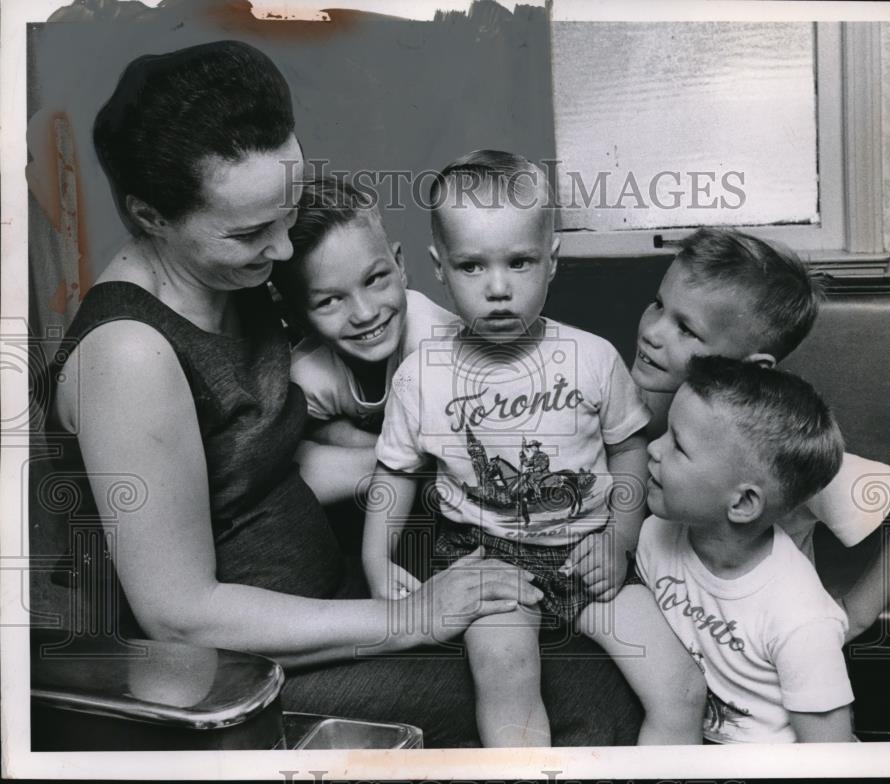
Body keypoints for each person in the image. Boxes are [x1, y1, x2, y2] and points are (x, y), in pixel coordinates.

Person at [39, 42, 642, 748]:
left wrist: (451, 462)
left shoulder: (236, 276)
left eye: (287, 212)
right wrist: (419, 617)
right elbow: (181, 616)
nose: (286, 252)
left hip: (334, 600)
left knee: (597, 640)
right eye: (251, 232)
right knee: (581, 689)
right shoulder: (129, 357)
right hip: (238, 674)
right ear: (150, 216)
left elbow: (258, 471)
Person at [363, 150, 650, 746]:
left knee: (676, 680)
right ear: (439, 269)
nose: (498, 289)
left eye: (519, 262)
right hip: (485, 558)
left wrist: (619, 540)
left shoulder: (592, 357)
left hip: (587, 548)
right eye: (472, 267)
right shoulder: (422, 375)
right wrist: (376, 557)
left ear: (552, 260)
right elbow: (395, 474)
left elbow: (629, 450)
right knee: (505, 674)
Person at [630, 227, 890, 641]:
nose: (653, 331)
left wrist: (855, 615)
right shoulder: (631, 404)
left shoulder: (771, 449)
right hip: (670, 640)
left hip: (760, 660)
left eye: (686, 329)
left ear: (753, 366)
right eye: (657, 304)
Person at [585, 356, 855, 743]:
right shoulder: (655, 533)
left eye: (678, 445)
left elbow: (830, 754)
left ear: (743, 503)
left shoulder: (801, 618)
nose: (654, 449)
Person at [269, 175, 456, 504]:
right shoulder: (307, 372)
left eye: (374, 279)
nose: (366, 312)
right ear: (297, 316)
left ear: (399, 265)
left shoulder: (436, 344)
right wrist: (361, 442)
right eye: (330, 301)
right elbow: (297, 451)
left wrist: (349, 439)